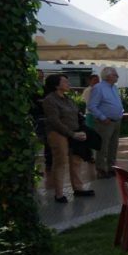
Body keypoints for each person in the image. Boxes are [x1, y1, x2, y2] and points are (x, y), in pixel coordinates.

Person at [41, 74, 93, 203]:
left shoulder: (68, 99)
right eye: (65, 82)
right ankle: (59, 194)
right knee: (60, 162)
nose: (68, 84)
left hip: (74, 132)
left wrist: (81, 130)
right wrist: (71, 133)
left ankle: (78, 188)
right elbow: (54, 121)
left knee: (76, 160)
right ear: (56, 85)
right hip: (58, 133)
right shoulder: (49, 100)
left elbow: (76, 115)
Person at [88, 66, 124, 179]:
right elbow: (91, 106)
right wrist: (102, 117)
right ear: (108, 76)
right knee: (103, 146)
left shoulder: (114, 88)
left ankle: (111, 168)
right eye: (115, 74)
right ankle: (101, 170)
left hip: (116, 121)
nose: (117, 76)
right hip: (105, 122)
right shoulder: (98, 88)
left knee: (113, 146)